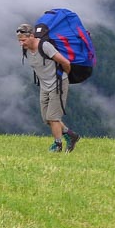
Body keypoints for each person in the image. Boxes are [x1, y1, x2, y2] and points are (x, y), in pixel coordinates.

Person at [17, 23, 82, 152]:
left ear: (32, 36)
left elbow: (65, 62)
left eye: (23, 40)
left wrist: (63, 77)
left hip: (58, 84)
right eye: (19, 41)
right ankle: (71, 135)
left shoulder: (45, 46)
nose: (21, 44)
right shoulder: (26, 49)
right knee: (47, 119)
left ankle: (58, 145)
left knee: (53, 118)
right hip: (44, 86)